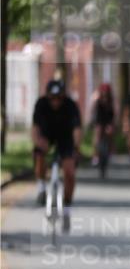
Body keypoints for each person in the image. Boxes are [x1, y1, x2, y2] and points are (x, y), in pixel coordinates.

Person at [32, 79, 82, 230]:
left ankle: (66, 207)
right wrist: (38, 142)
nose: (55, 101)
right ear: (47, 96)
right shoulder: (41, 104)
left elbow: (77, 130)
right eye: (52, 98)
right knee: (39, 156)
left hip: (65, 138)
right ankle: (41, 187)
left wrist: (76, 147)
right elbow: (34, 128)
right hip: (47, 136)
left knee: (69, 172)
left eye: (58, 98)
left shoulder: (71, 106)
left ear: (63, 96)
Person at [89, 83, 116, 167]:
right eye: (103, 91)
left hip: (108, 118)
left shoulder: (111, 99)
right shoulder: (96, 98)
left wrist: (113, 123)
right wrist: (91, 120)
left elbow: (115, 111)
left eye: (106, 92)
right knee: (97, 135)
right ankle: (95, 156)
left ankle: (111, 153)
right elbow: (92, 109)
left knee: (110, 133)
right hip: (99, 119)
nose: (105, 93)